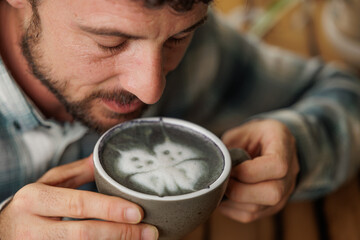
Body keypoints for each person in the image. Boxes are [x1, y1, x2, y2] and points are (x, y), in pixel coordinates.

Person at [0, 0, 359, 239]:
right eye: (110, 41)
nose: (151, 89)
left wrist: (299, 146)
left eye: (178, 38)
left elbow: (345, 95)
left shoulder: (198, 47)